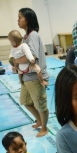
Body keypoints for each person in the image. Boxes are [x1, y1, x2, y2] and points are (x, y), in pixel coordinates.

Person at [16, 8, 50, 137]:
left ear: (28, 19)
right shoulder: (25, 37)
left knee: (40, 104)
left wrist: (16, 60)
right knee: (25, 101)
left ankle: (45, 127)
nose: (18, 20)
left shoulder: (33, 35)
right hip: (27, 77)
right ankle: (40, 120)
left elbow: (33, 56)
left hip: (35, 77)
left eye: (20, 17)